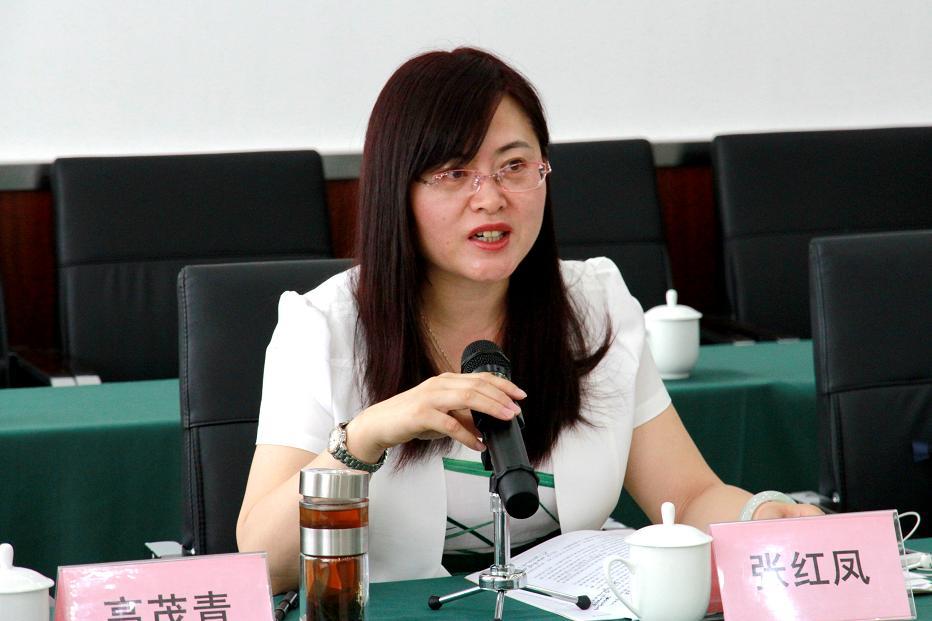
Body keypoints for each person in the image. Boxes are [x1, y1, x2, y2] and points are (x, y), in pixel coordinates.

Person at [236, 47, 821, 593]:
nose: (490, 198)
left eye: (514, 166)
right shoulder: (323, 327)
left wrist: (761, 516)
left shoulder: (594, 304)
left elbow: (689, 497)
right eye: (454, 173)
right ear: (397, 190)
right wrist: (363, 439)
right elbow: (266, 564)